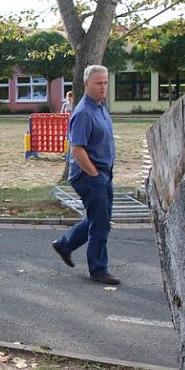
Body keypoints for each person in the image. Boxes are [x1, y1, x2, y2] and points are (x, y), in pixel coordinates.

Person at [51, 65, 120, 286]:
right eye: (99, 83)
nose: (103, 87)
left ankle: (65, 244)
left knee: (99, 218)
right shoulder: (83, 113)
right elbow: (77, 149)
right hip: (89, 176)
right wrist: (95, 175)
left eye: (106, 82)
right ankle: (98, 269)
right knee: (101, 224)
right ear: (87, 84)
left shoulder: (100, 108)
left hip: (102, 173)